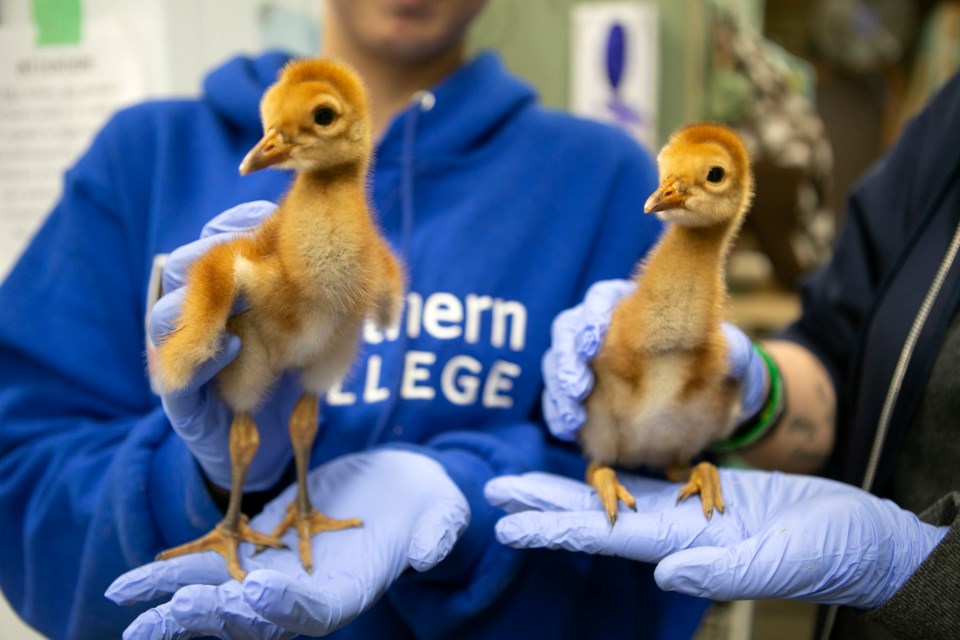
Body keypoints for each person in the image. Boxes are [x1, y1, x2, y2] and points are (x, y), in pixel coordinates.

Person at [0, 1, 714, 638]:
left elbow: (649, 514)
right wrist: (198, 485)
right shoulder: (143, 157)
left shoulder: (603, 180)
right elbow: (23, 474)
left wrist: (463, 515)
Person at [528, 67, 960, 638]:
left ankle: (689, 462)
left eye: (708, 176)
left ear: (737, 191)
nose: (673, 191)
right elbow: (837, 342)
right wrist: (762, 392)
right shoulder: (947, 124)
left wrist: (933, 577)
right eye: (669, 175)